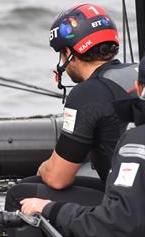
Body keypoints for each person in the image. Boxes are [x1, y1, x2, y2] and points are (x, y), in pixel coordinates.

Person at [4, 3, 138, 236]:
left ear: (69, 53)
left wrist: (46, 168)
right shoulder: (136, 74)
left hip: (128, 208)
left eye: (61, 53)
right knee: (33, 181)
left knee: (20, 194)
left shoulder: (88, 92)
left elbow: (58, 178)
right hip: (134, 191)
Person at [20, 60, 145, 236]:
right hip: (127, 198)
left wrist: (51, 209)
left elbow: (119, 223)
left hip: (123, 208)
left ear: (138, 88)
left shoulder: (135, 140)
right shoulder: (130, 70)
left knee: (20, 195)